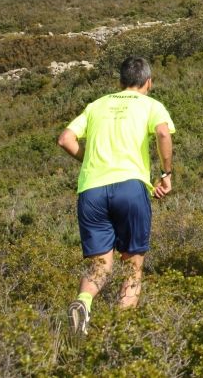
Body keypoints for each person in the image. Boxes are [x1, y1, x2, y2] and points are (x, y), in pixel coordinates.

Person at [58, 56, 175, 336]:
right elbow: (162, 133)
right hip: (130, 187)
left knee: (101, 264)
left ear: (120, 82)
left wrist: (89, 160)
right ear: (149, 82)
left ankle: (84, 302)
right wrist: (166, 173)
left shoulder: (96, 105)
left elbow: (65, 139)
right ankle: (120, 333)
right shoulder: (151, 105)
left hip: (91, 190)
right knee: (133, 264)